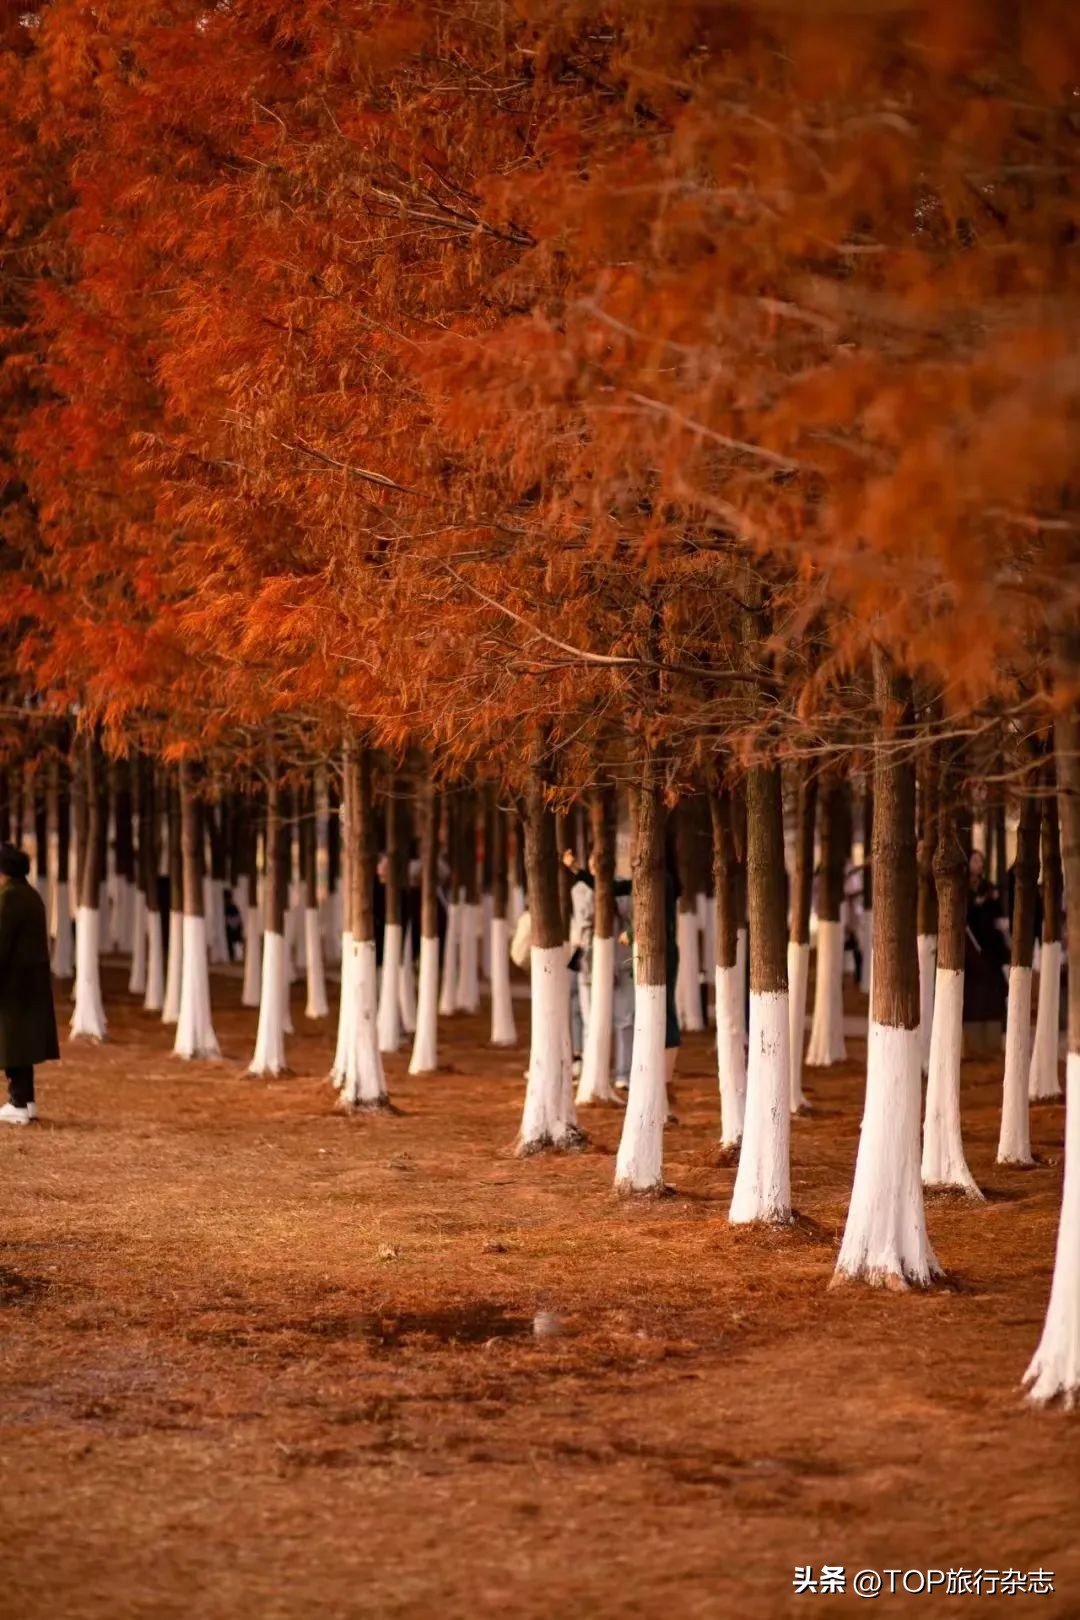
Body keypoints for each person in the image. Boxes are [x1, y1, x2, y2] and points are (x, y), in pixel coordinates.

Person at [0, 843, 60, 1124]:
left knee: (12, 1042)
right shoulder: (31, 895)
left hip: (14, 984)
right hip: (30, 982)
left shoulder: (8, 898)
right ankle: (27, 1101)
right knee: (20, 1042)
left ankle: (18, 1102)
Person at [963, 848, 1009, 1057]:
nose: (978, 864)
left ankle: (994, 1037)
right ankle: (971, 1041)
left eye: (980, 861)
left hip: (989, 950)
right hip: (969, 952)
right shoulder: (962, 888)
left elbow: (998, 918)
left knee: (994, 989)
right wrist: (975, 904)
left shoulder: (989, 888)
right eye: (974, 860)